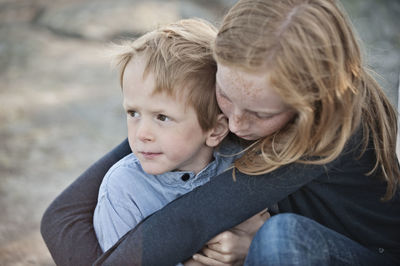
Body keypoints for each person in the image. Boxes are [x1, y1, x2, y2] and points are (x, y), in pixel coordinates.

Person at [41, 0, 400, 265]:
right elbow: (62, 217)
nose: (236, 125)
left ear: (310, 103)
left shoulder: (332, 128)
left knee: (280, 238)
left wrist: (256, 244)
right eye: (224, 95)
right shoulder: (238, 84)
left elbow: (191, 220)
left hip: (368, 255)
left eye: (260, 113)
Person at [91, 18, 268, 260]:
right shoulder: (123, 191)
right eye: (133, 113)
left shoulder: (243, 168)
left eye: (162, 117)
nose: (142, 133)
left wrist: (251, 246)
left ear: (215, 130)